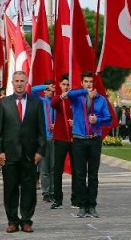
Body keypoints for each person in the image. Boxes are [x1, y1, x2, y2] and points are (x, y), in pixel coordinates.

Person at [0, 71, 46, 234]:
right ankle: (12, 221)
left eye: (22, 81)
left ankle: (26, 221)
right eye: (16, 81)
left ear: (26, 83)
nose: (19, 84)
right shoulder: (4, 103)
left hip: (30, 155)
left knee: (29, 189)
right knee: (10, 189)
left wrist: (40, 151)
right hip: (9, 154)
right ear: (12, 83)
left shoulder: (36, 103)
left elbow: (41, 130)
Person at [67, 71, 112, 219]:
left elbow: (108, 119)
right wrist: (85, 92)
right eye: (86, 82)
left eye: (91, 82)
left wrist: (97, 120)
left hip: (94, 140)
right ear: (82, 83)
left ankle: (92, 205)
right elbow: (69, 94)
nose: (89, 84)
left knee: (93, 175)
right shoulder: (77, 97)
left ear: (94, 83)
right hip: (79, 139)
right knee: (80, 174)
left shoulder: (101, 100)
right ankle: (82, 205)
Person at [49, 74, 75, 210]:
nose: (66, 87)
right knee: (57, 170)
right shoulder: (58, 99)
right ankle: (57, 199)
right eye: (64, 84)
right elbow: (52, 104)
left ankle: (75, 199)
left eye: (68, 85)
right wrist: (61, 97)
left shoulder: (74, 99)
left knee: (76, 170)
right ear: (60, 85)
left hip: (74, 138)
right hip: (60, 138)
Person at [31, 79, 56, 203]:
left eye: (52, 90)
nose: (50, 92)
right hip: (44, 138)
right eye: (48, 90)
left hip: (55, 138)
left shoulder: (57, 103)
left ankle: (53, 191)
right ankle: (46, 192)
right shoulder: (41, 101)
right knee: (44, 168)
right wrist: (45, 86)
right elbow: (31, 90)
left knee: (53, 167)